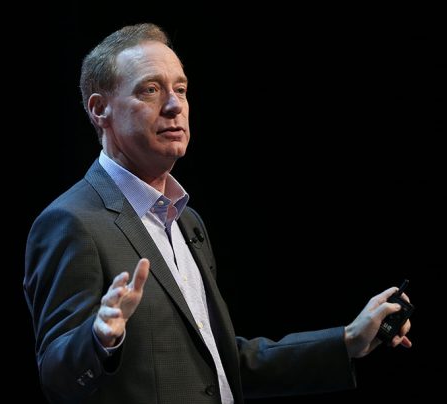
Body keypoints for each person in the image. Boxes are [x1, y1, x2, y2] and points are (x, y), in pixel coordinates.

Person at [23, 23, 412, 404]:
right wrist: (99, 340)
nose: (175, 105)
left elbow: (219, 365)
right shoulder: (72, 222)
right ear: (99, 109)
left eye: (181, 89)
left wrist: (347, 340)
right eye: (151, 89)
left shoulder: (186, 221)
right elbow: (58, 379)